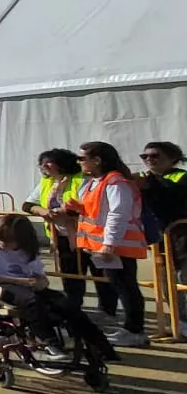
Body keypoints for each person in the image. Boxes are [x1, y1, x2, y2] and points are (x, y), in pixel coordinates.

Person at [0, 214, 108, 363]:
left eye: (9, 241)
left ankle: (100, 345)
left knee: (66, 304)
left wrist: (41, 282)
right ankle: (50, 342)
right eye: (1, 239)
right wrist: (18, 281)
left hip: (28, 284)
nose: (3, 244)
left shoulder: (27, 251)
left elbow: (40, 275)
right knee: (33, 302)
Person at [55, 141, 149, 348]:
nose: (78, 162)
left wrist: (109, 244)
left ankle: (135, 330)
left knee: (126, 287)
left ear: (97, 160)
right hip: (103, 245)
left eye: (82, 158)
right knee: (119, 285)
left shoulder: (115, 182)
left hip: (118, 245)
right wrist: (74, 206)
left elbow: (118, 214)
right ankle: (132, 329)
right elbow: (97, 210)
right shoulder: (95, 182)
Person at [20, 149, 101, 314]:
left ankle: (107, 308)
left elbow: (90, 206)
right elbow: (27, 204)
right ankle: (74, 309)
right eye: (42, 163)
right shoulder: (46, 182)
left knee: (100, 276)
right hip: (61, 237)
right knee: (70, 276)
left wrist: (66, 212)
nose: (44, 166)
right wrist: (42, 211)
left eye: (48, 162)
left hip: (89, 236)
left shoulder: (83, 180)